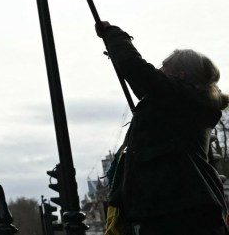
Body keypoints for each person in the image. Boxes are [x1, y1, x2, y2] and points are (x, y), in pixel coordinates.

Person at [97, 22, 229, 234]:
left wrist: (115, 36)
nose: (158, 70)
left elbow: (138, 71)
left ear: (181, 75)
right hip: (183, 209)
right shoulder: (185, 102)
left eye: (163, 66)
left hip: (178, 211)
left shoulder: (181, 98)